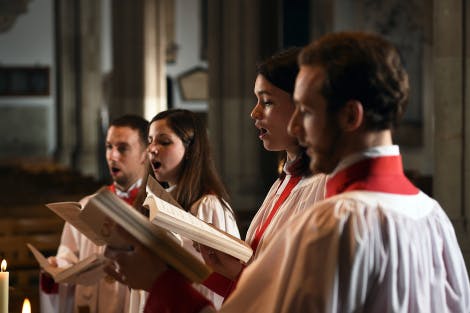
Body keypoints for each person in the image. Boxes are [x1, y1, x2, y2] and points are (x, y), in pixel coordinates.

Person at [107, 31, 470, 313]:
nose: (297, 125)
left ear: (350, 116)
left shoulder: (333, 221)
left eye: (307, 112)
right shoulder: (432, 216)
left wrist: (160, 282)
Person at [199, 47, 327, 297]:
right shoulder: (286, 180)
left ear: (302, 105)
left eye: (267, 102)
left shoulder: (323, 186)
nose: (254, 113)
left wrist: (237, 274)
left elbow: (303, 294)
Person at [40, 114, 149, 313]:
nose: (112, 156)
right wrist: (56, 270)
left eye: (122, 148)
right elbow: (69, 258)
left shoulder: (155, 211)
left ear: (145, 153)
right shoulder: (86, 206)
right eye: (109, 147)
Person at [134, 108, 241, 310]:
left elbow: (218, 281)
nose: (152, 149)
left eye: (164, 142)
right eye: (150, 141)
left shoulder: (207, 206)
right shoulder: (157, 201)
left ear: (190, 148)